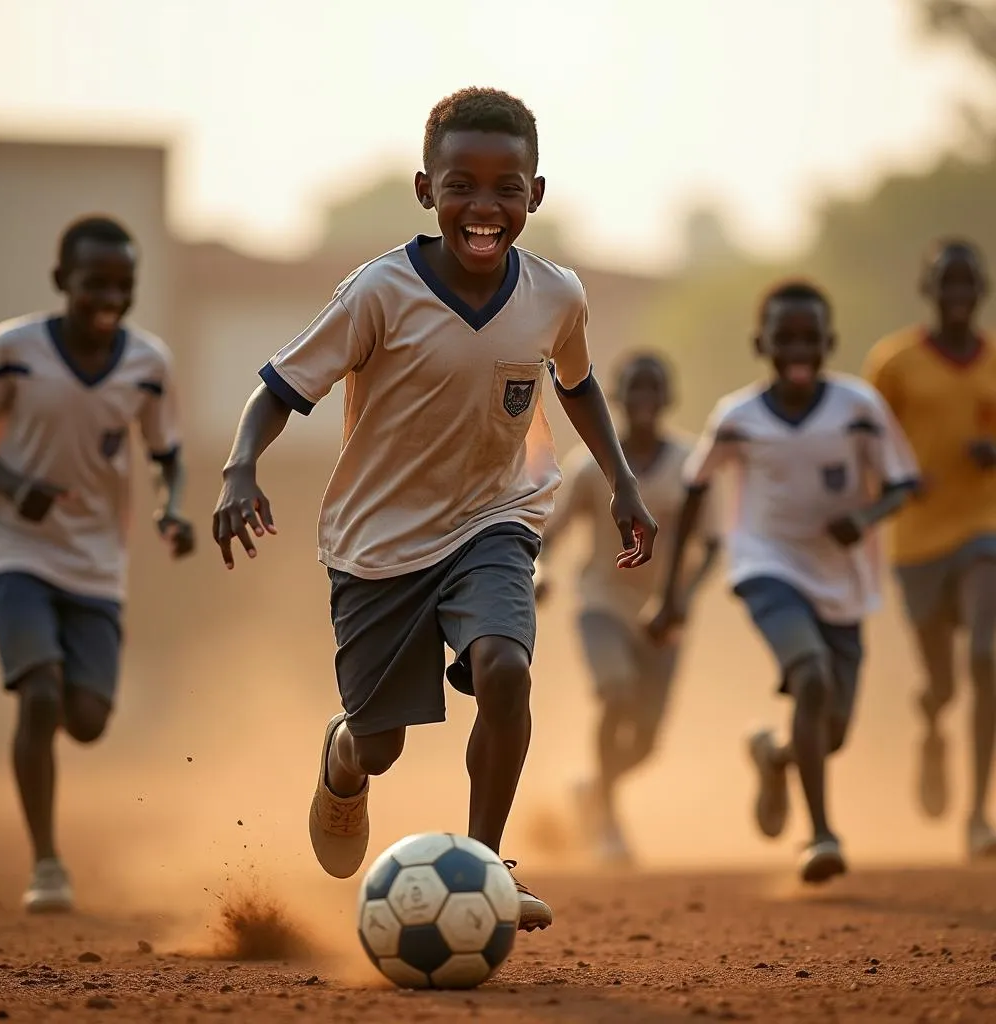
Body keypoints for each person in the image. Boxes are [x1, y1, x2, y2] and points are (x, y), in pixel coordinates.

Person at [212, 87, 658, 932]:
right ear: (427, 190)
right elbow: (278, 389)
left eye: (507, 188)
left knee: (506, 667)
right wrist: (240, 467)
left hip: (495, 519)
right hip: (377, 546)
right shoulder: (378, 292)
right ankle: (343, 761)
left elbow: (579, 383)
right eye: (462, 185)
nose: (484, 207)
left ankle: (485, 867)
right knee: (379, 745)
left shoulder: (557, 295)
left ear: (537, 194)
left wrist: (623, 481)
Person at [649, 280, 918, 883]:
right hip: (765, 566)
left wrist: (866, 517)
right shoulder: (737, 418)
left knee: (832, 732)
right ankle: (820, 834)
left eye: (809, 337)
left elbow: (906, 483)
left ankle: (775, 756)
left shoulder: (859, 408)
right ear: (760, 342)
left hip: (843, 580)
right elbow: (694, 491)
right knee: (811, 676)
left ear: (830, 342)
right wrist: (671, 595)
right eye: (784, 337)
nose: (798, 348)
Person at [0, 215, 195, 913]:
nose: (109, 297)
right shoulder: (12, 350)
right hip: (15, 548)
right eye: (94, 282)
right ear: (60, 281)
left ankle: (60, 692)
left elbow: (167, 456)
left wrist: (170, 509)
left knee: (89, 718)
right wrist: (13, 488)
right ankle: (47, 864)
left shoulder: (148, 364)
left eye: (123, 285)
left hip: (98, 563)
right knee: (38, 696)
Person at [534, 351, 720, 864]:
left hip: (665, 616)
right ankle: (608, 822)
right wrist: (541, 576)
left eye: (652, 389)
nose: (643, 399)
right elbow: (551, 537)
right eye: (633, 389)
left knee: (645, 743)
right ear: (616, 397)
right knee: (615, 693)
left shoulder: (690, 464)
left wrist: (679, 600)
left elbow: (714, 545)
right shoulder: (591, 464)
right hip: (602, 601)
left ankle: (593, 787)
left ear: (667, 398)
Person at [863, 239, 996, 860]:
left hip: (983, 529)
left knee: (988, 658)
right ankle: (933, 723)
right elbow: (864, 441)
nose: (958, 294)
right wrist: (896, 483)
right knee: (942, 681)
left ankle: (976, 812)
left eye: (968, 282)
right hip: (916, 541)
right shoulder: (895, 363)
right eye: (947, 282)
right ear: (931, 288)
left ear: (982, 290)